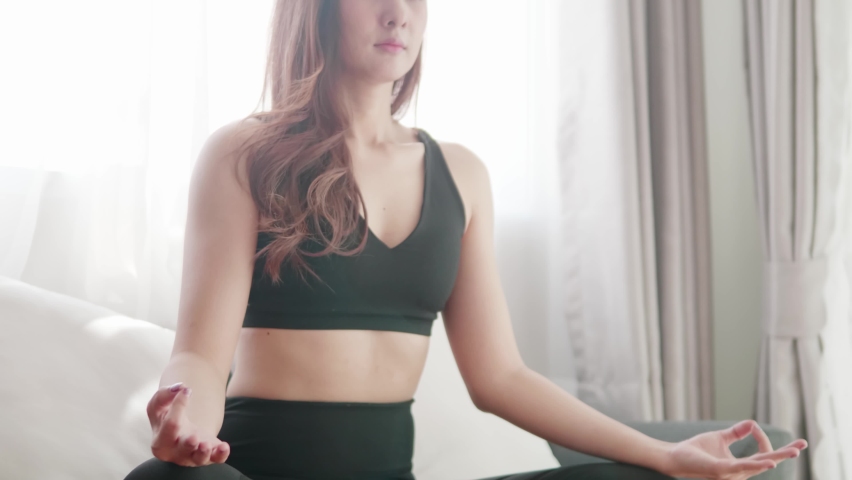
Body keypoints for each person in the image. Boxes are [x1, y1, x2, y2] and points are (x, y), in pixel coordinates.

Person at [123, 1, 808, 479]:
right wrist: (187, 423)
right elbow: (201, 355)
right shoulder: (245, 155)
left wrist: (664, 454)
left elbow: (500, 377)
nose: (399, 12)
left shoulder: (461, 175)